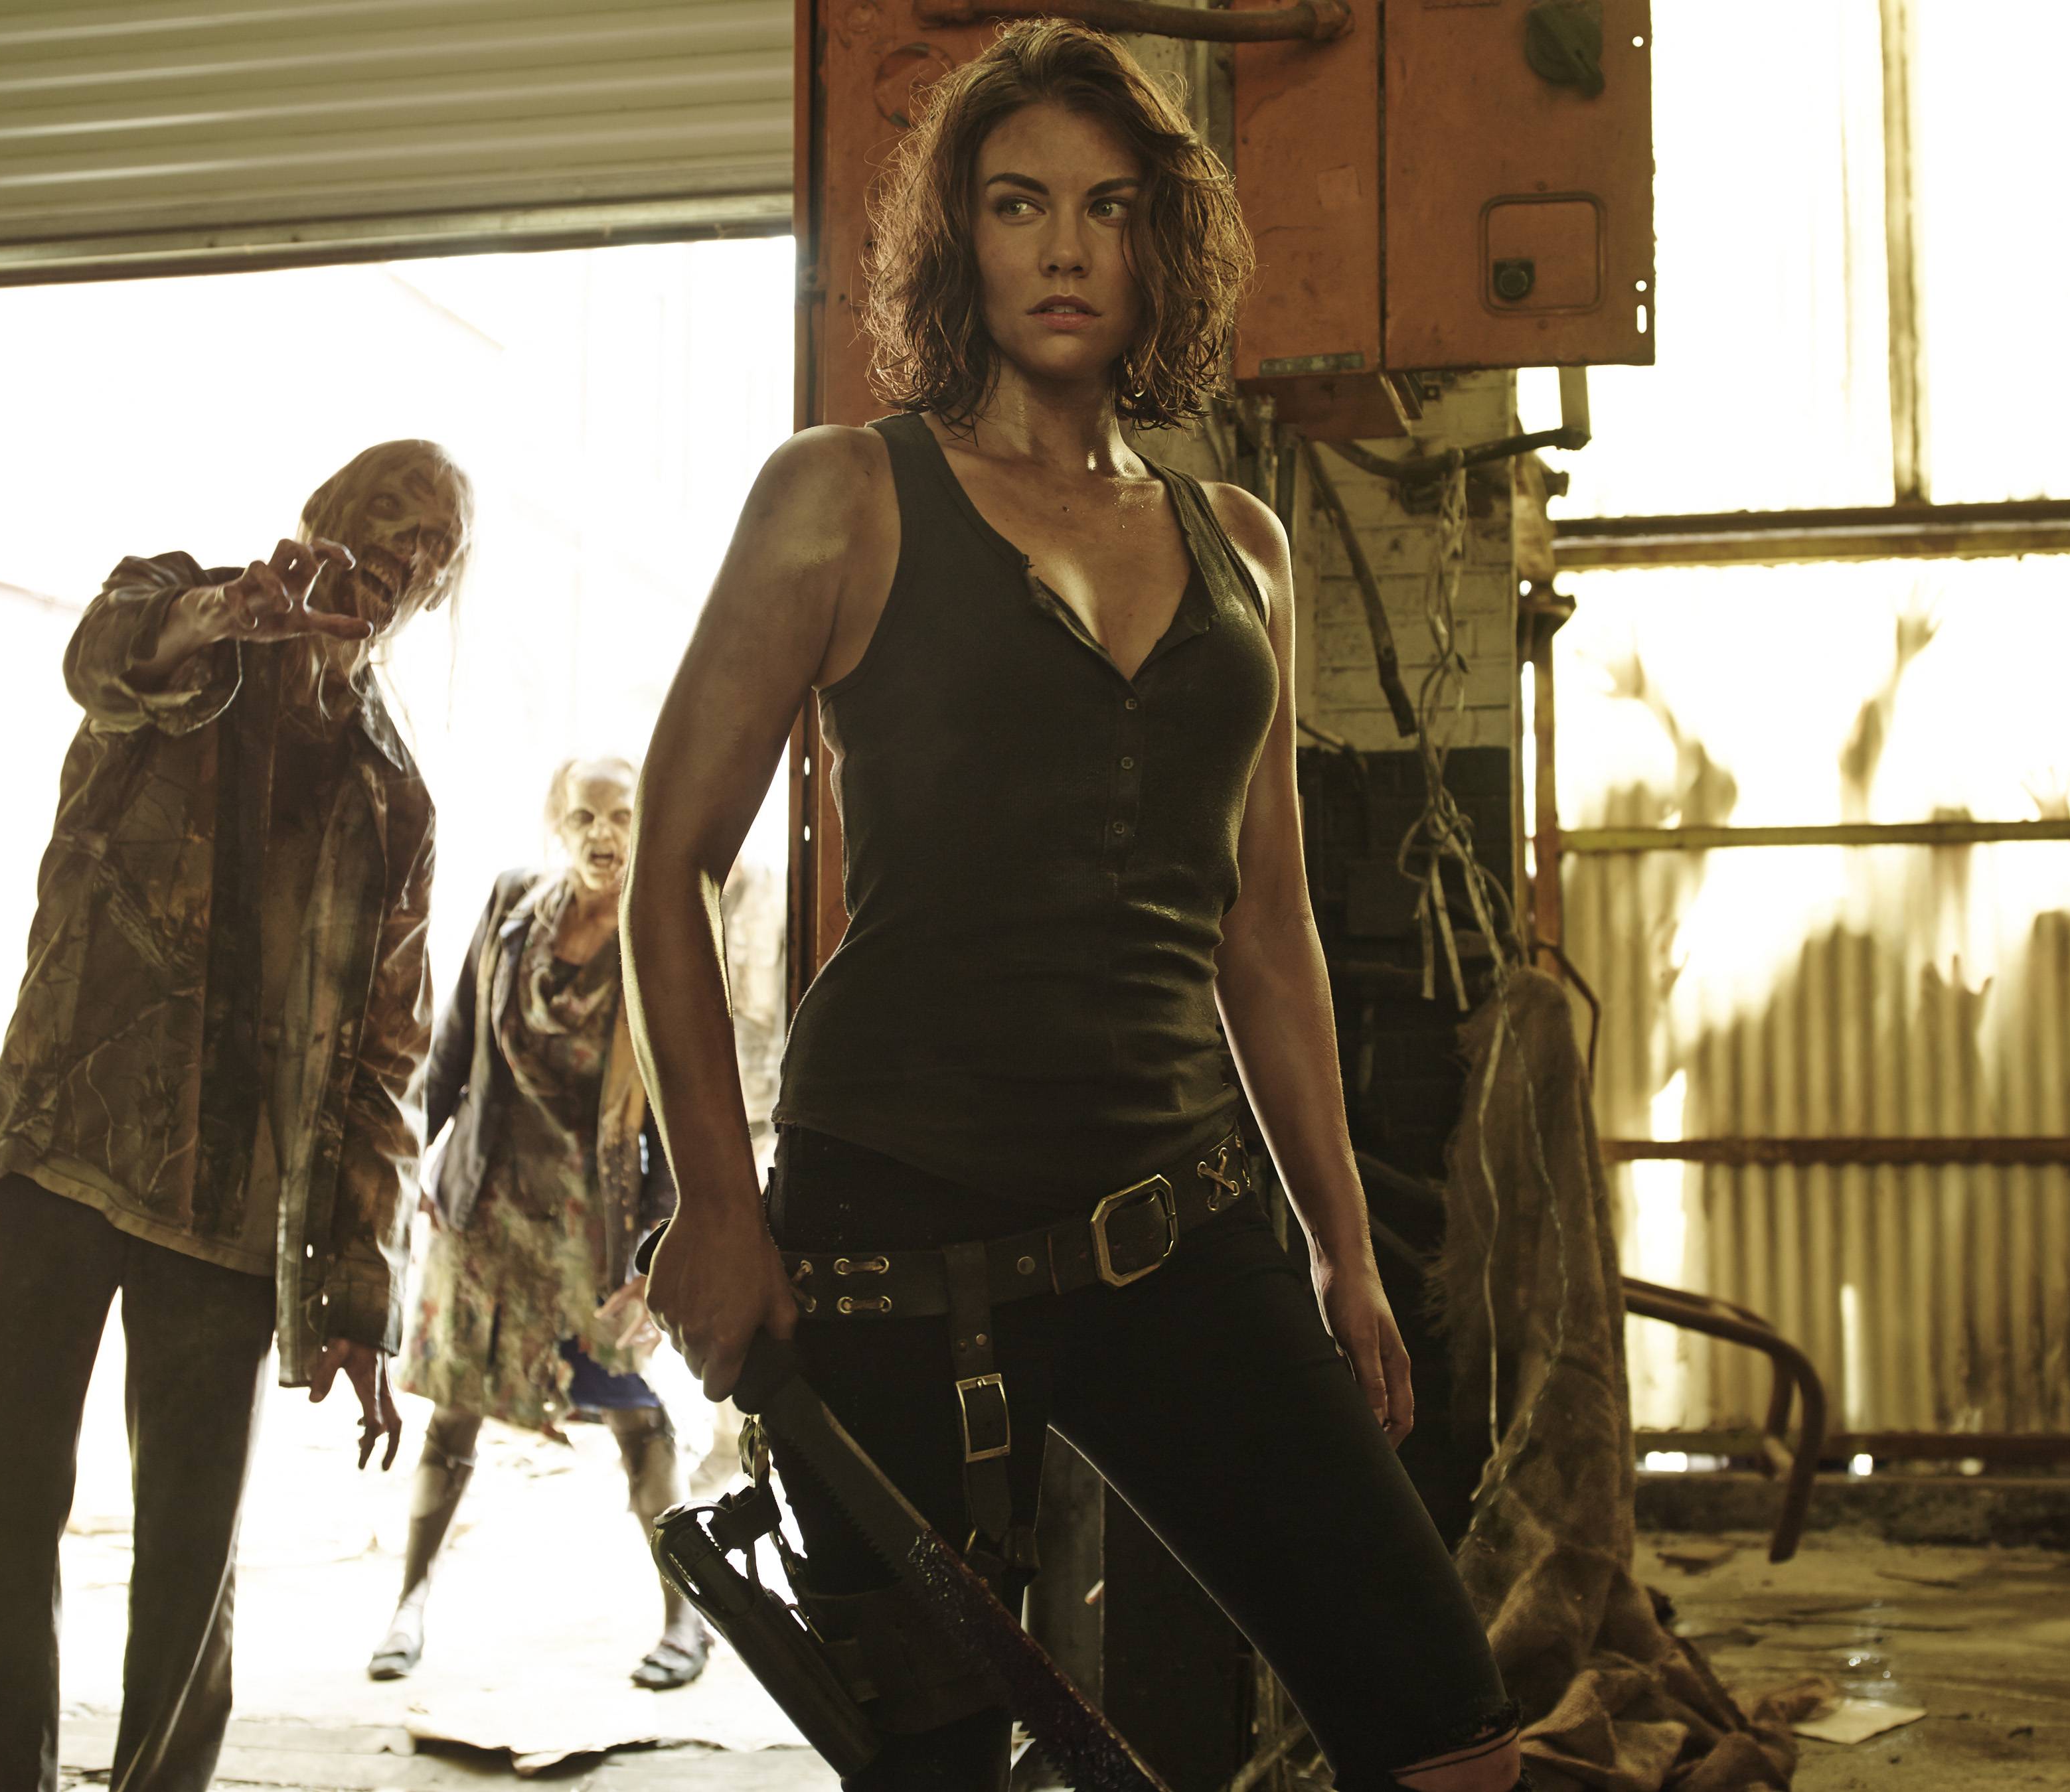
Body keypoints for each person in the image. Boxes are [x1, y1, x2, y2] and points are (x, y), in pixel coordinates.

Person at [620, 23, 1524, 1792]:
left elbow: (1267, 926)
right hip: (893, 1241)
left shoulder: (1242, 546)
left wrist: (1341, 1246)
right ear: (958, 238)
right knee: (940, 1769)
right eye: (1018, 202)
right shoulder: (839, 497)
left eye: (1109, 208)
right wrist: (716, 1204)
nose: (1063, 246)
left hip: (1176, 1219)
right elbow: (670, 859)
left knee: (1450, 1735)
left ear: (1158, 247)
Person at [0, 440, 472, 1792]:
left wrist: (360, 1294)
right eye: (385, 523)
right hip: (61, 1142)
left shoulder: (392, 792)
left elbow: (386, 1059)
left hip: (232, 1207)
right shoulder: (182, 624)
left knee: (191, 1562)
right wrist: (219, 615)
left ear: (437, 590)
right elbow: (102, 659)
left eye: (432, 548)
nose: (401, 556)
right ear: (322, 516)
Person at [369, 756, 709, 1690]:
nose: (604, 835)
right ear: (557, 825)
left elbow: (680, 1110)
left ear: (646, 825)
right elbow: (451, 1051)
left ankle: (689, 1619)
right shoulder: (513, 905)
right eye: (585, 816)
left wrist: (659, 1249)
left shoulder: (658, 938)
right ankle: (408, 1605)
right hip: (485, 1211)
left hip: (595, 1229)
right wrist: (408, 1169)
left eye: (623, 817)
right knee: (453, 1415)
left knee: (638, 1418)